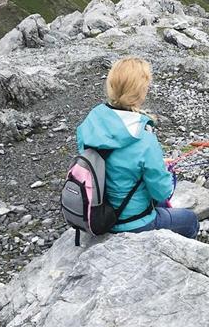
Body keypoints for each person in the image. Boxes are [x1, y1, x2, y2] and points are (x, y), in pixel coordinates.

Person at [75, 57, 198, 238]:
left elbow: (108, 163)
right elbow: (162, 192)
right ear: (140, 92)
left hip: (95, 213)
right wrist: (162, 169)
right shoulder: (144, 138)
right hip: (133, 221)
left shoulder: (89, 124)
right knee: (190, 220)